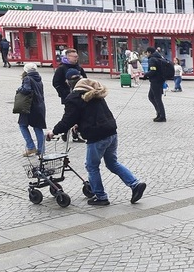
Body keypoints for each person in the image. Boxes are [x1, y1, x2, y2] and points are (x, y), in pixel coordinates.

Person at [46, 78, 147, 206]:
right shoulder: (96, 94)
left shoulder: (74, 98)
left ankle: (101, 196)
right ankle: (135, 184)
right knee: (112, 163)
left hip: (97, 136)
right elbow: (91, 114)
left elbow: (67, 121)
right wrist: (79, 124)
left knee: (91, 166)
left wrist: (53, 132)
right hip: (111, 132)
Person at [52, 48, 88, 142]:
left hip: (80, 96)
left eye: (77, 56)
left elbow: (85, 80)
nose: (76, 58)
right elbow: (56, 83)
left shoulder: (79, 68)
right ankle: (65, 131)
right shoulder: (61, 68)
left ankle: (75, 134)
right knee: (70, 113)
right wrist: (65, 93)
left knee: (80, 114)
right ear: (68, 57)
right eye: (74, 56)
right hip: (68, 97)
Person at [17, 63, 46, 157]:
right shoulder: (39, 78)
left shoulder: (27, 79)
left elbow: (26, 90)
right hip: (40, 106)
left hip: (29, 106)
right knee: (38, 127)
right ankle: (41, 150)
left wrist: (19, 89)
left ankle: (30, 147)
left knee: (22, 125)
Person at [144, 47, 167, 122]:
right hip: (159, 80)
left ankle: (162, 116)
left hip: (156, 81)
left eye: (147, 52)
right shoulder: (159, 57)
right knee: (151, 97)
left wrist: (146, 74)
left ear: (149, 52)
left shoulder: (152, 59)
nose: (146, 54)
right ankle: (159, 113)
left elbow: (153, 70)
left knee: (157, 98)